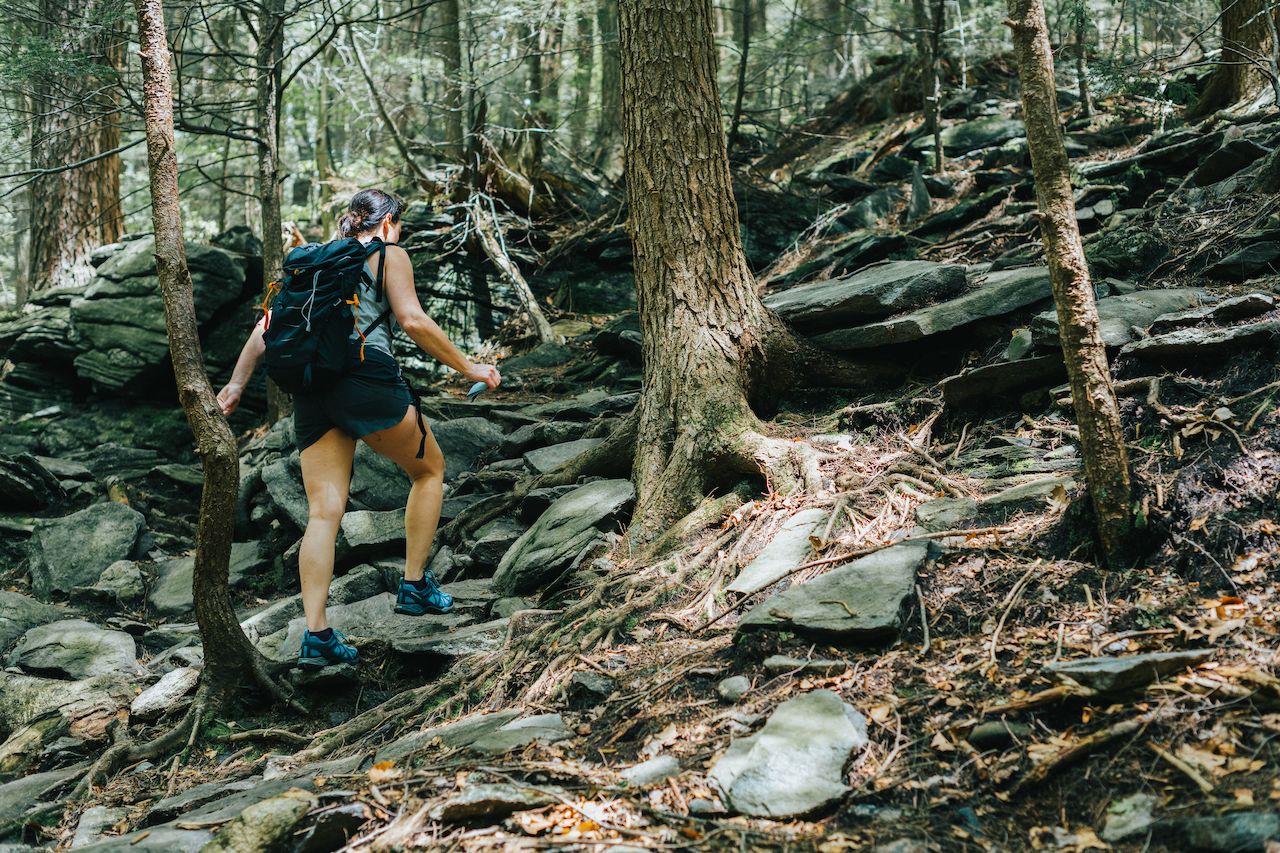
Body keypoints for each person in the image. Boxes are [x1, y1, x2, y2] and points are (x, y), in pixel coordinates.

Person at [215, 189, 501, 668]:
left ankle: (317, 636)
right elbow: (411, 319)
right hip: (366, 381)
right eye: (400, 224)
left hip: (312, 394)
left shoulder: (316, 263)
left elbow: (266, 326)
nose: (400, 232)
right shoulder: (388, 253)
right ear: (387, 221)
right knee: (429, 469)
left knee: (324, 513)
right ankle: (413, 587)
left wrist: (235, 384)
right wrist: (469, 367)